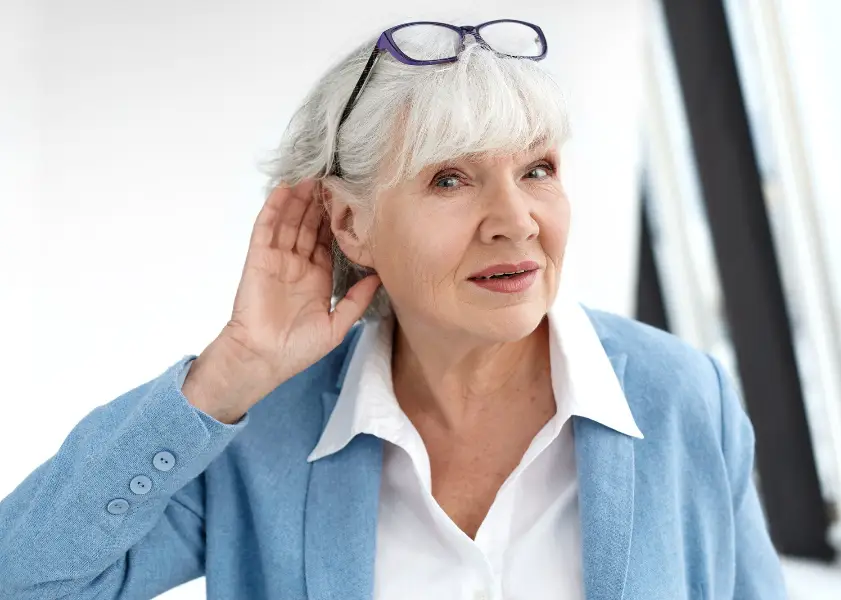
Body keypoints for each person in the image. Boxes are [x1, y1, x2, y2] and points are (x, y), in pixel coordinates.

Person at [0, 19, 788, 600]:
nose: (515, 219)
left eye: (538, 169)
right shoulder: (261, 429)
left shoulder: (684, 396)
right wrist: (228, 373)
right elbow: (23, 578)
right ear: (350, 224)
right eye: (450, 178)